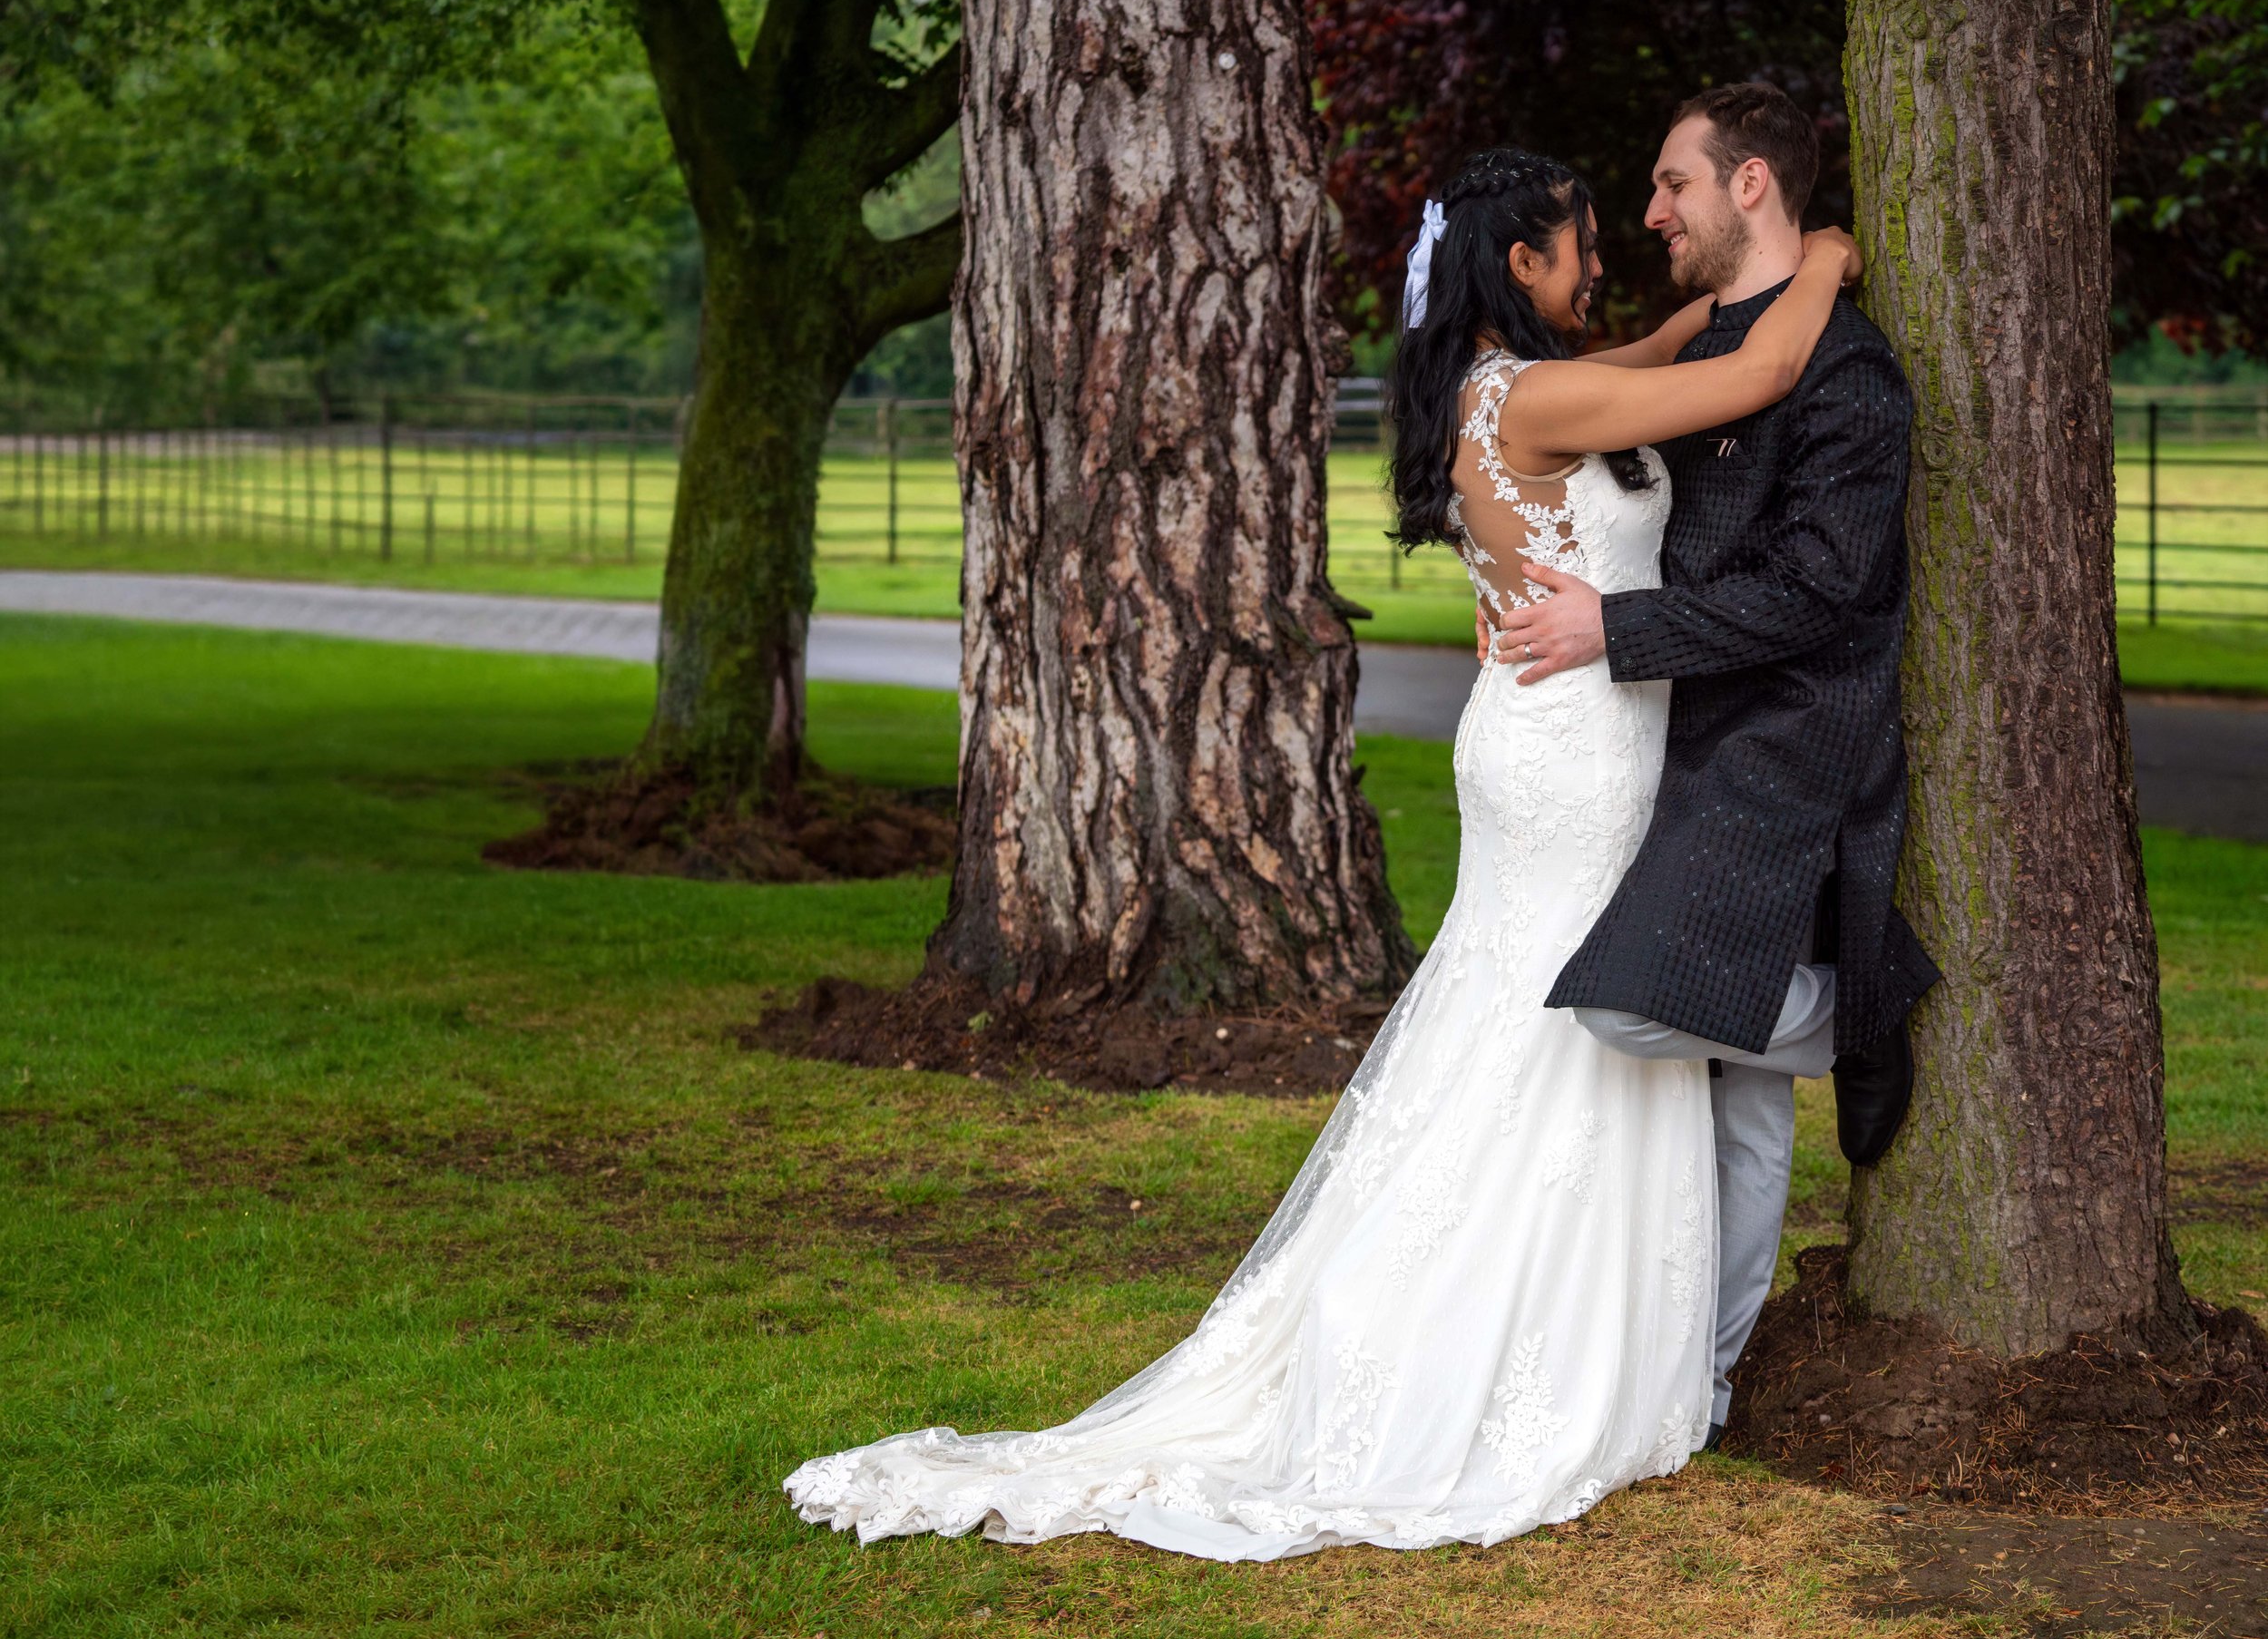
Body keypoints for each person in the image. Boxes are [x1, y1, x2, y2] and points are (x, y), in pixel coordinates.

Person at [786, 146, 1859, 1562]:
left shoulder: (1495, 389)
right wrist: (1831, 253)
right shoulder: (1538, 394)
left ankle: (1526, 1318)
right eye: (1579, 243)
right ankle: (1535, 1346)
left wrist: (1691, 315)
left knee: (1508, 1024)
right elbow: (1747, 375)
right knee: (1574, 1033)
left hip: (1537, 741)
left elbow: (1662, 347)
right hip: (1582, 754)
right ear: (1519, 265)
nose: (1601, 263)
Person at [1491, 82, 1938, 1445]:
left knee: (1641, 1016)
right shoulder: (1724, 348)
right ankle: (1706, 1382)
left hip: (1790, 745)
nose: (1651, 211)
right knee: (1730, 1097)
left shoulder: (1848, 373)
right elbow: (1711, 378)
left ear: (1751, 185)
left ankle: (1858, 1014)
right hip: (1677, 734)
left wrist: (1614, 626)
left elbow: (1818, 589)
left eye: (1673, 182)